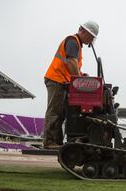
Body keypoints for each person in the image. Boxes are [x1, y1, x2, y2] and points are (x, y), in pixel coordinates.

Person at [43, 21, 99, 149]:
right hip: (56, 79)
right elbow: (71, 62)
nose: (91, 40)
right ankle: (49, 142)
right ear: (83, 31)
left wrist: (81, 74)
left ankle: (56, 142)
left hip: (61, 80)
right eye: (90, 36)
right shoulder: (73, 41)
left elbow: (74, 65)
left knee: (61, 113)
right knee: (54, 111)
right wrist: (80, 81)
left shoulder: (77, 44)